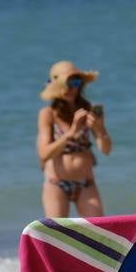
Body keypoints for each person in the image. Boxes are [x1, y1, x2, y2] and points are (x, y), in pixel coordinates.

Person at [37, 61, 111, 218]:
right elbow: (44, 154)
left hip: (86, 184)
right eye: (67, 83)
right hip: (56, 184)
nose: (72, 88)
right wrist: (70, 133)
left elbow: (106, 149)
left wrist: (99, 128)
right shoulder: (48, 114)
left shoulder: (89, 110)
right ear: (57, 86)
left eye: (76, 82)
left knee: (97, 235)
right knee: (56, 237)